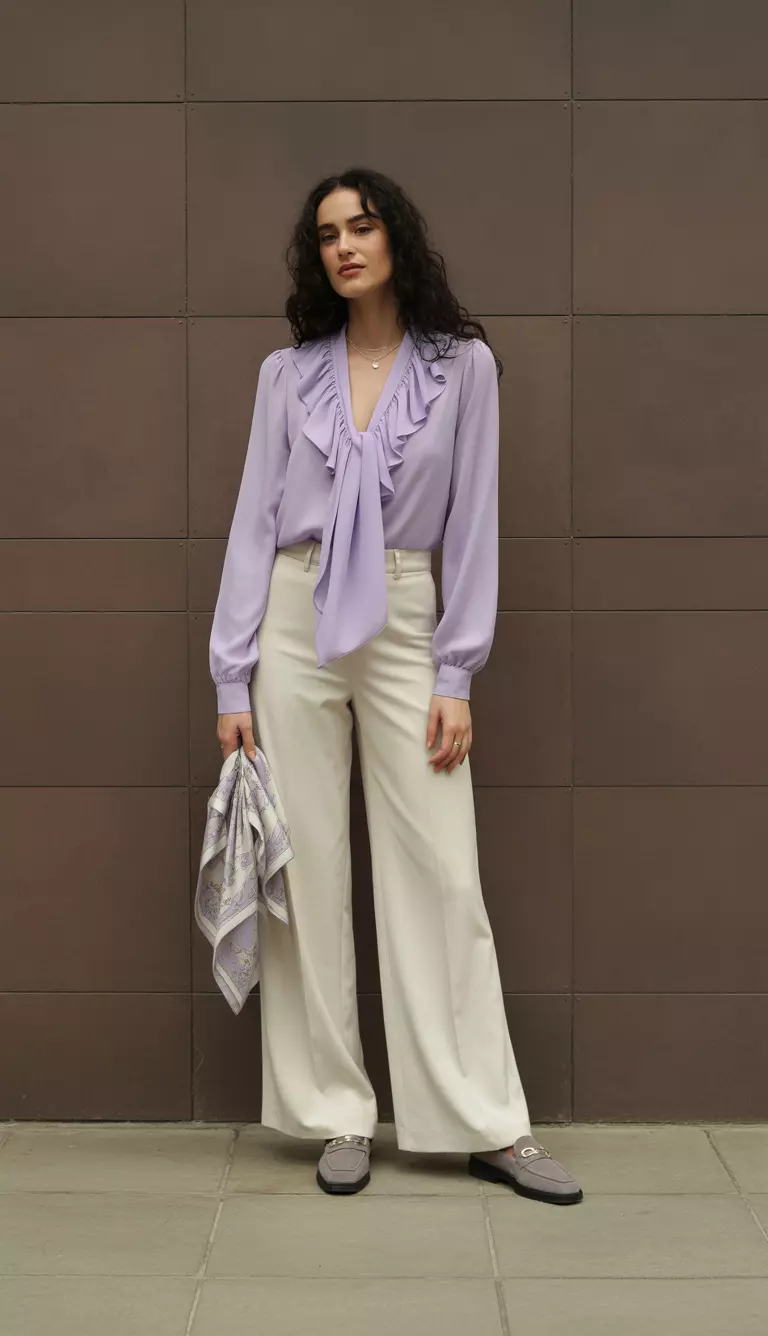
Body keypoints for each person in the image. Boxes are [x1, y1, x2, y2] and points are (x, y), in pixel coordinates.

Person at [209, 168, 582, 1206]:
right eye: (327, 232)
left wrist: (456, 670)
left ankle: (483, 1121)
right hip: (293, 617)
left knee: (441, 872)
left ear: (394, 238)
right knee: (311, 875)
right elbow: (252, 524)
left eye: (361, 225)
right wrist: (230, 673)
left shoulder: (462, 370)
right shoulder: (285, 378)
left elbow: (474, 526)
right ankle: (337, 1111)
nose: (345, 245)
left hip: (410, 622)